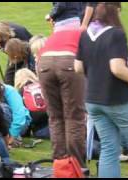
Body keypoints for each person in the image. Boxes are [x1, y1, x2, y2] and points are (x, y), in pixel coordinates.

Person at [74, 2, 128, 178]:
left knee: (109, 148)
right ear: (115, 10)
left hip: (93, 100)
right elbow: (117, 68)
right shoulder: (116, 34)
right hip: (117, 99)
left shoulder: (84, 34)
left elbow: (78, 67)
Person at [37, 5, 87, 168]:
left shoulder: (57, 33)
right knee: (74, 117)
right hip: (68, 61)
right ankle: (76, 166)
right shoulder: (83, 32)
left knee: (55, 117)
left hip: (44, 62)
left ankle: (60, 164)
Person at [14, 68, 50, 139]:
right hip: (53, 123)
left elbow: (23, 116)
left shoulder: (21, 93)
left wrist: (25, 133)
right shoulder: (42, 87)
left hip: (40, 130)